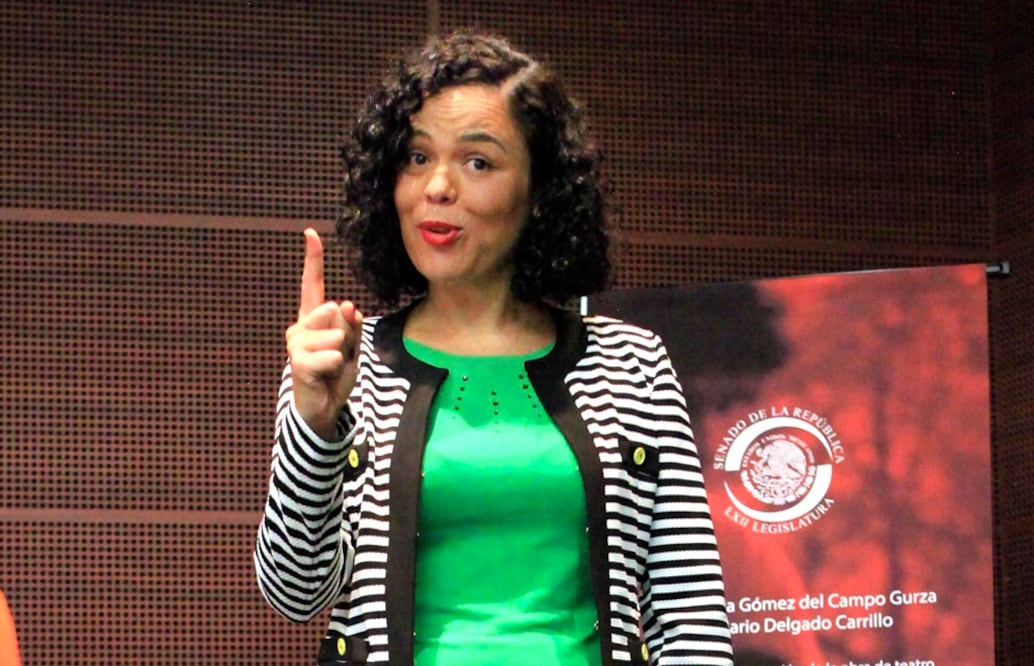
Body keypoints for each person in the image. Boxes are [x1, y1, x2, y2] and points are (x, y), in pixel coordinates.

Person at [254, 29, 733, 666]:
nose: (437, 188)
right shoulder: (343, 360)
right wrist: (315, 429)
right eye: (417, 158)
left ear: (539, 195)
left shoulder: (632, 360)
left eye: (477, 162)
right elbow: (295, 590)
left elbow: (688, 606)